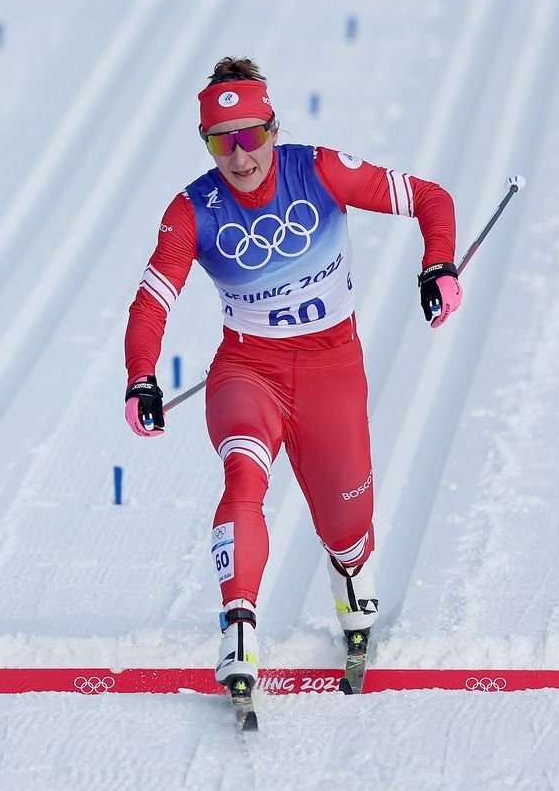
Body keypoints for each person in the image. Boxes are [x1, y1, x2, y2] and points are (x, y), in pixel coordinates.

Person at [123, 57, 461, 691]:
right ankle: (239, 630)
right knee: (243, 473)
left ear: (273, 129)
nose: (240, 155)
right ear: (207, 145)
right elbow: (152, 301)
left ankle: (352, 580)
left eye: (251, 135)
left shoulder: (319, 171)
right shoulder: (192, 209)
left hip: (331, 369)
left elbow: (430, 199)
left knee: (347, 526)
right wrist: (142, 376)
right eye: (222, 141)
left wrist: (438, 266)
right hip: (248, 371)